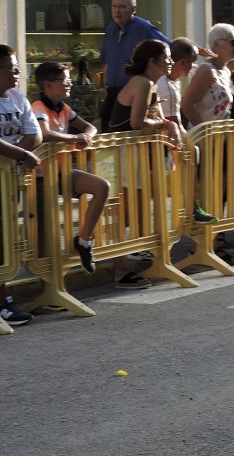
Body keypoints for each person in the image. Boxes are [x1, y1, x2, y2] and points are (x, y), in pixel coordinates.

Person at [107, 39, 186, 289]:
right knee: (126, 214)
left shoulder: (151, 84)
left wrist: (169, 127)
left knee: (139, 211)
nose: (170, 61)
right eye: (166, 57)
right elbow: (137, 122)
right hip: (125, 154)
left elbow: (159, 120)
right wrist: (166, 126)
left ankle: (133, 260)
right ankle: (119, 270)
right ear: (152, 61)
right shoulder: (141, 83)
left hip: (138, 155)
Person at [31, 62, 111, 275]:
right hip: (39, 175)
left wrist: (87, 136)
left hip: (61, 171)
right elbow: (44, 133)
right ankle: (44, 279)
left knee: (101, 186)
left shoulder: (63, 107)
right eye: (65, 81)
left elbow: (90, 126)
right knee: (43, 229)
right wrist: (74, 138)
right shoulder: (39, 106)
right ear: (48, 84)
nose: (70, 84)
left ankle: (84, 240)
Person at [0, 46, 41, 326]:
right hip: (9, 170)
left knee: (5, 239)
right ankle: (3, 301)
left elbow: (34, 133)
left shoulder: (17, 96)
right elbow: (25, 148)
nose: (17, 73)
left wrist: (13, 154)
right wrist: (20, 154)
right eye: (11, 68)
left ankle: (3, 298)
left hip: (7, 177)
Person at [99, 0, 173, 133]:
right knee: (107, 131)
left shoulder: (143, 27)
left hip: (134, 93)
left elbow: (167, 47)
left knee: (128, 133)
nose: (117, 10)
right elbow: (106, 61)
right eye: (114, 6)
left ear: (133, 9)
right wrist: (105, 86)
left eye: (122, 6)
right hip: (113, 92)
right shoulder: (110, 29)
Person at [180, 24, 234, 127]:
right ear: (217, 44)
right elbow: (186, 104)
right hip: (204, 139)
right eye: (233, 42)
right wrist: (205, 134)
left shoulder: (226, 71)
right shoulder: (206, 70)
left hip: (220, 139)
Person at [157, 38, 199, 128]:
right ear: (183, 62)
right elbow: (176, 127)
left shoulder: (167, 81)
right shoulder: (168, 89)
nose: (194, 66)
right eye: (193, 62)